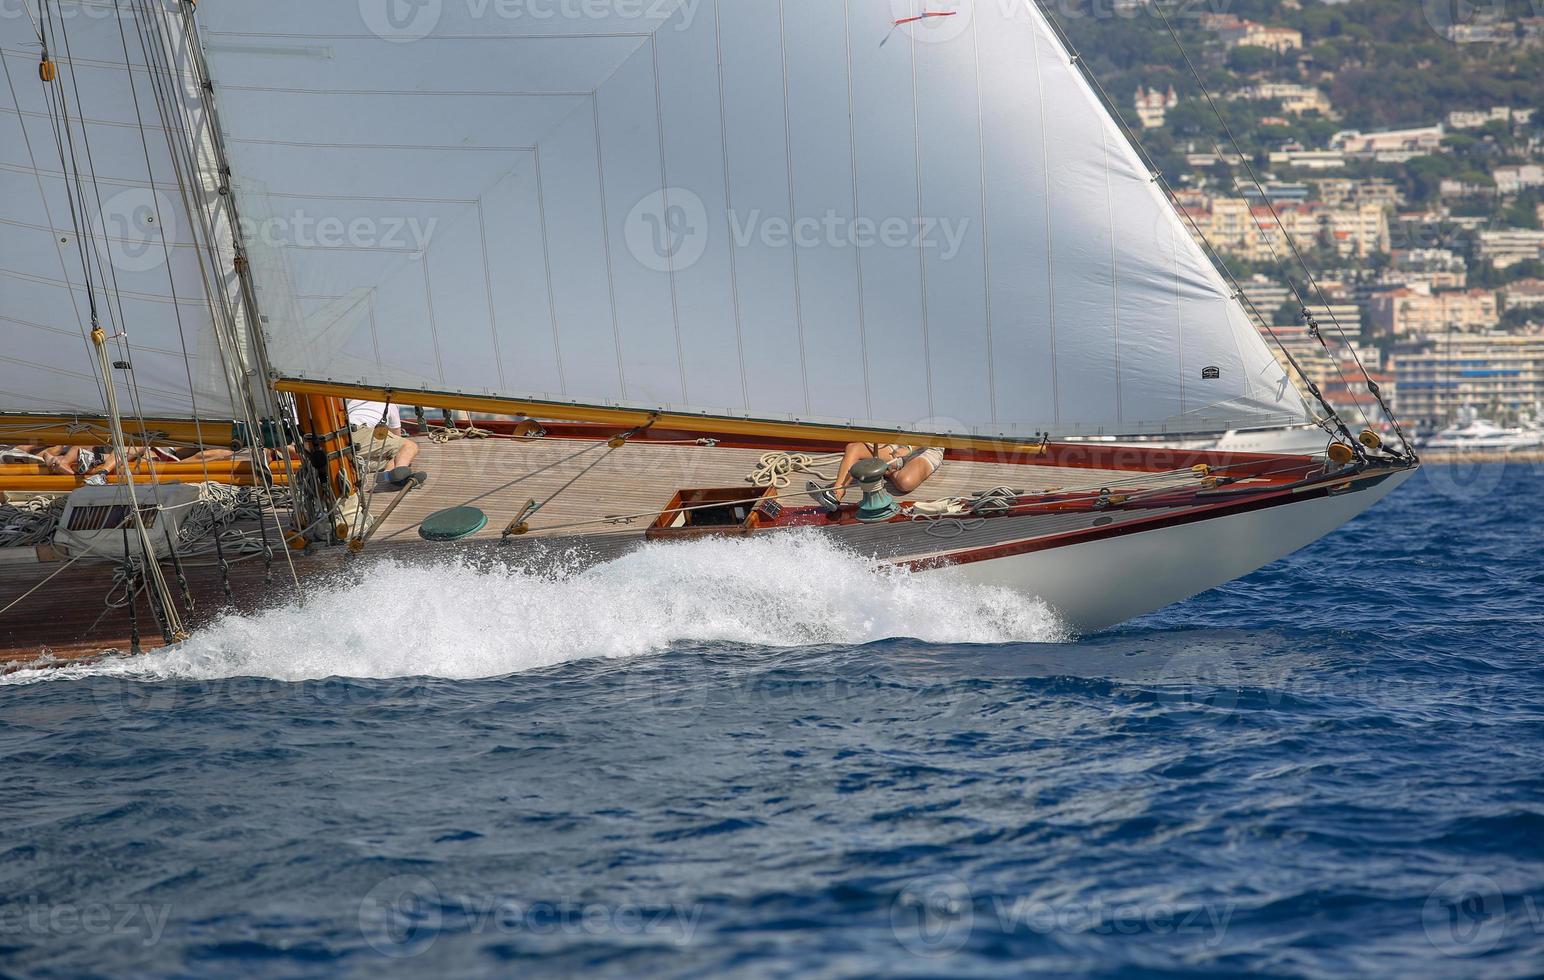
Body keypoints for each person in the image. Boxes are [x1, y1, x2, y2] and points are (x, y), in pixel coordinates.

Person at [808, 442, 944, 512]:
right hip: (898, 443)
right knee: (854, 448)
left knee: (905, 483)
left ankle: (888, 471)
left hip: (928, 448)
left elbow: (934, 429)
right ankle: (836, 493)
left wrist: (909, 448)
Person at [346, 399, 425, 488]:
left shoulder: (355, 399)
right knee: (408, 446)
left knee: (396, 457)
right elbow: (397, 435)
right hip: (359, 432)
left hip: (343, 439)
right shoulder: (390, 401)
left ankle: (388, 474)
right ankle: (399, 476)